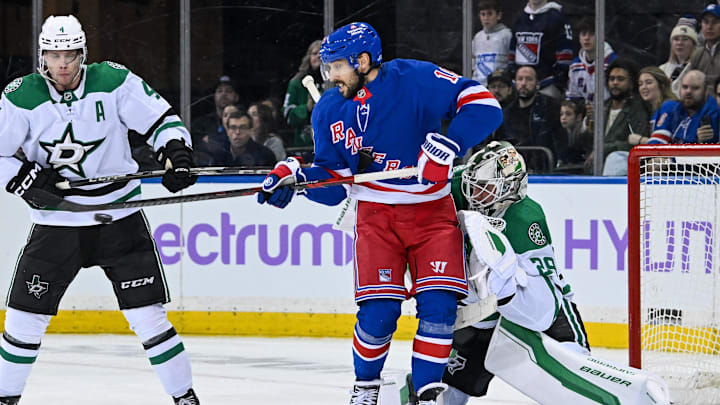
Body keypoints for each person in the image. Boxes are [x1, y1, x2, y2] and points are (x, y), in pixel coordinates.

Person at [257, 22, 502, 405]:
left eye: (337, 66)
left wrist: (448, 145)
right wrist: (299, 177)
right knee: (379, 314)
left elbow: (484, 104)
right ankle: (366, 387)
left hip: (433, 214)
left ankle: (425, 394)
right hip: (376, 217)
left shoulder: (413, 78)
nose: (331, 76)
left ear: (364, 60)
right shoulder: (329, 110)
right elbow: (336, 184)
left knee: (439, 309)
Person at [0, 15, 199, 405]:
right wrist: (25, 177)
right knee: (23, 321)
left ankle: (185, 398)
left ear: (83, 54)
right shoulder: (20, 96)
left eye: (70, 54)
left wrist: (176, 152)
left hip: (119, 218)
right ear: (42, 56)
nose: (62, 64)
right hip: (57, 222)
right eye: (54, 55)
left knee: (149, 319)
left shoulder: (113, 80)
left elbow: (161, 120)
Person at [438, 141, 670, 405]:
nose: (476, 196)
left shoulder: (526, 218)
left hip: (542, 310)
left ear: (510, 189)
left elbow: (544, 307)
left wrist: (502, 285)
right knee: (447, 392)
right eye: (474, 186)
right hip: (477, 316)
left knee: (577, 381)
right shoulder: (454, 186)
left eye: (487, 189)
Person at [584, 58, 650, 175]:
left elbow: (633, 144)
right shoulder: (602, 107)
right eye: (612, 79)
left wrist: (602, 149)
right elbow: (585, 143)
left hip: (623, 170)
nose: (615, 83)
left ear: (631, 84)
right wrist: (589, 122)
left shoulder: (638, 109)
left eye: (620, 79)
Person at [495, 65, 564, 172]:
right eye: (520, 79)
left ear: (537, 84)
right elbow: (501, 146)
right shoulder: (506, 113)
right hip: (515, 172)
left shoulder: (551, 106)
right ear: (515, 83)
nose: (523, 83)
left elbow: (560, 140)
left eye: (529, 79)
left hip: (545, 171)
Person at [508, 0, 574, 99]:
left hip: (547, 84)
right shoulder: (520, 18)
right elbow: (512, 52)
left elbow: (565, 55)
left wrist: (557, 81)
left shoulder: (557, 18)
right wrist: (513, 75)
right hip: (520, 85)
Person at [648, 69, 719, 144]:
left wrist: (700, 142)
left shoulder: (714, 113)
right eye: (685, 87)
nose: (688, 91)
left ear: (706, 91)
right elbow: (656, 144)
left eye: (695, 88)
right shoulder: (672, 108)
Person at [566, 16, 617, 104]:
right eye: (583, 34)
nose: (586, 38)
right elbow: (573, 98)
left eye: (591, 34)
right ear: (579, 38)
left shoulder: (613, 63)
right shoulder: (575, 66)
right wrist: (583, 109)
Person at [282, 40, 322, 148]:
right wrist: (306, 108)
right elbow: (287, 114)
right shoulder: (296, 83)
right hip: (303, 144)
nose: (318, 56)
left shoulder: (336, 80)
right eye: (314, 53)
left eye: (322, 53)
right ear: (308, 57)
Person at [191, 75, 241, 158]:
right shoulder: (201, 123)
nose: (224, 94)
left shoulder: (244, 121)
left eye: (228, 91)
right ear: (214, 96)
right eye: (219, 91)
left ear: (236, 97)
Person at [675, 4, 720, 96]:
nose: (709, 27)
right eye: (705, 22)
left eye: (715, 22)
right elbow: (684, 83)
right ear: (701, 25)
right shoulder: (698, 54)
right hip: (700, 105)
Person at [633, 66, 678, 145]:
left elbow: (658, 144)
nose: (643, 87)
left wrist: (640, 140)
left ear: (662, 85)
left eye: (649, 82)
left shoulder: (669, 105)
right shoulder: (655, 110)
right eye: (640, 84)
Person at [471, 0, 512, 86]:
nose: (486, 18)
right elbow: (473, 62)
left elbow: (511, 62)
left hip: (498, 85)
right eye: (483, 14)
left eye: (490, 14)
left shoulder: (506, 35)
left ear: (498, 15)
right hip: (479, 85)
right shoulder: (477, 37)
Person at [659, 19, 698, 89]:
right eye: (676, 39)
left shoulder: (698, 68)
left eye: (685, 39)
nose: (680, 43)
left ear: (693, 44)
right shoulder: (662, 69)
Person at [558, 99, 592, 168]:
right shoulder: (561, 133)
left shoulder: (584, 133)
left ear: (579, 117)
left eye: (568, 114)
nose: (563, 118)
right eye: (561, 114)